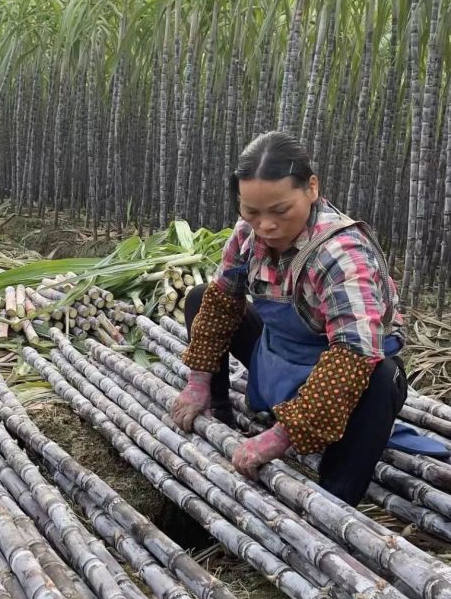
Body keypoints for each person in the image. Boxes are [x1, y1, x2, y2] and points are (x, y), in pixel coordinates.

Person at [171, 129, 446, 507]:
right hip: (279, 360)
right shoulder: (248, 235)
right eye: (251, 212)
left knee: (384, 375)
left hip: (341, 380)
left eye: (280, 211)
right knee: (204, 298)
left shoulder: (342, 253)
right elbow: (223, 302)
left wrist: (283, 436)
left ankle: (334, 495)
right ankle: (217, 413)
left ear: (311, 188)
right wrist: (198, 379)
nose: (265, 226)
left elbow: (353, 354)